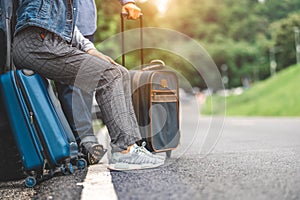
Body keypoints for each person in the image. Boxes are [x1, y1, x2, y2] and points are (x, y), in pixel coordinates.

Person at [13, 0, 165, 170]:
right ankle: (124, 151)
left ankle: (131, 146)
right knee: (109, 76)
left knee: (119, 72)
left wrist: (91, 50)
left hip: (50, 41)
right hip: (37, 42)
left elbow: (69, 27)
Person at [54, 0, 103, 165]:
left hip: (84, 22)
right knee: (68, 85)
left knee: (85, 85)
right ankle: (81, 141)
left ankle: (84, 140)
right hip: (58, 24)